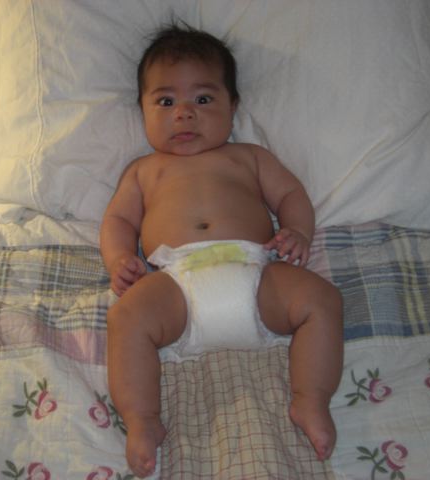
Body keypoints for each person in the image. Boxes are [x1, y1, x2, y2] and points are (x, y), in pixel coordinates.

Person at [101, 24, 343, 478]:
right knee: (125, 318)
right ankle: (142, 418)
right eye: (166, 102)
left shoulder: (249, 157)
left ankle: (310, 399)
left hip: (255, 272)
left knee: (322, 300)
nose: (184, 114)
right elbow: (118, 221)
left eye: (203, 99)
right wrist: (119, 259)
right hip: (177, 283)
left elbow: (291, 195)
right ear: (143, 110)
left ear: (233, 106)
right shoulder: (144, 170)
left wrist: (297, 231)